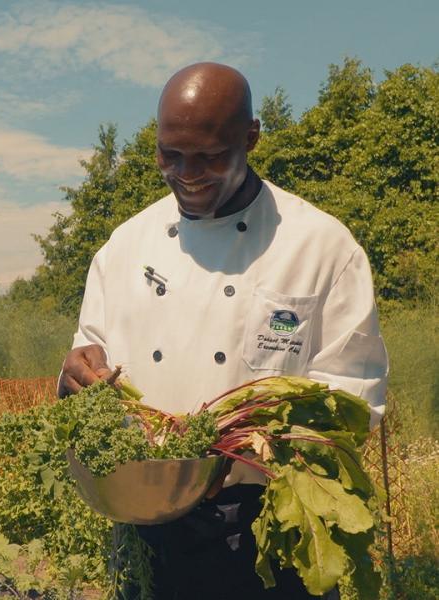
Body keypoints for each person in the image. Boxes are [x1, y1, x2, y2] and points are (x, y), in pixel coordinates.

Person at [58, 63, 388, 599]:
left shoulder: (321, 248)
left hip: (265, 529)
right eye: (171, 154)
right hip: (145, 522)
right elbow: (87, 352)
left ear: (251, 137)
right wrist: (73, 376)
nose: (187, 173)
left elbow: (355, 398)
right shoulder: (125, 247)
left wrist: (254, 446)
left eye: (210, 156)